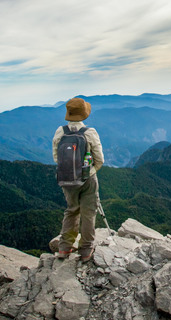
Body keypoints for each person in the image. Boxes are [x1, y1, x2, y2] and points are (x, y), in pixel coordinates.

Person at [52, 97, 104, 261]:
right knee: (88, 213)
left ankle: (64, 248)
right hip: (87, 179)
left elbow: (56, 158)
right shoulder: (89, 133)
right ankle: (85, 250)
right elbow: (100, 159)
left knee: (71, 210)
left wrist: (70, 171)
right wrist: (89, 172)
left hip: (66, 179)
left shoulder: (60, 132)